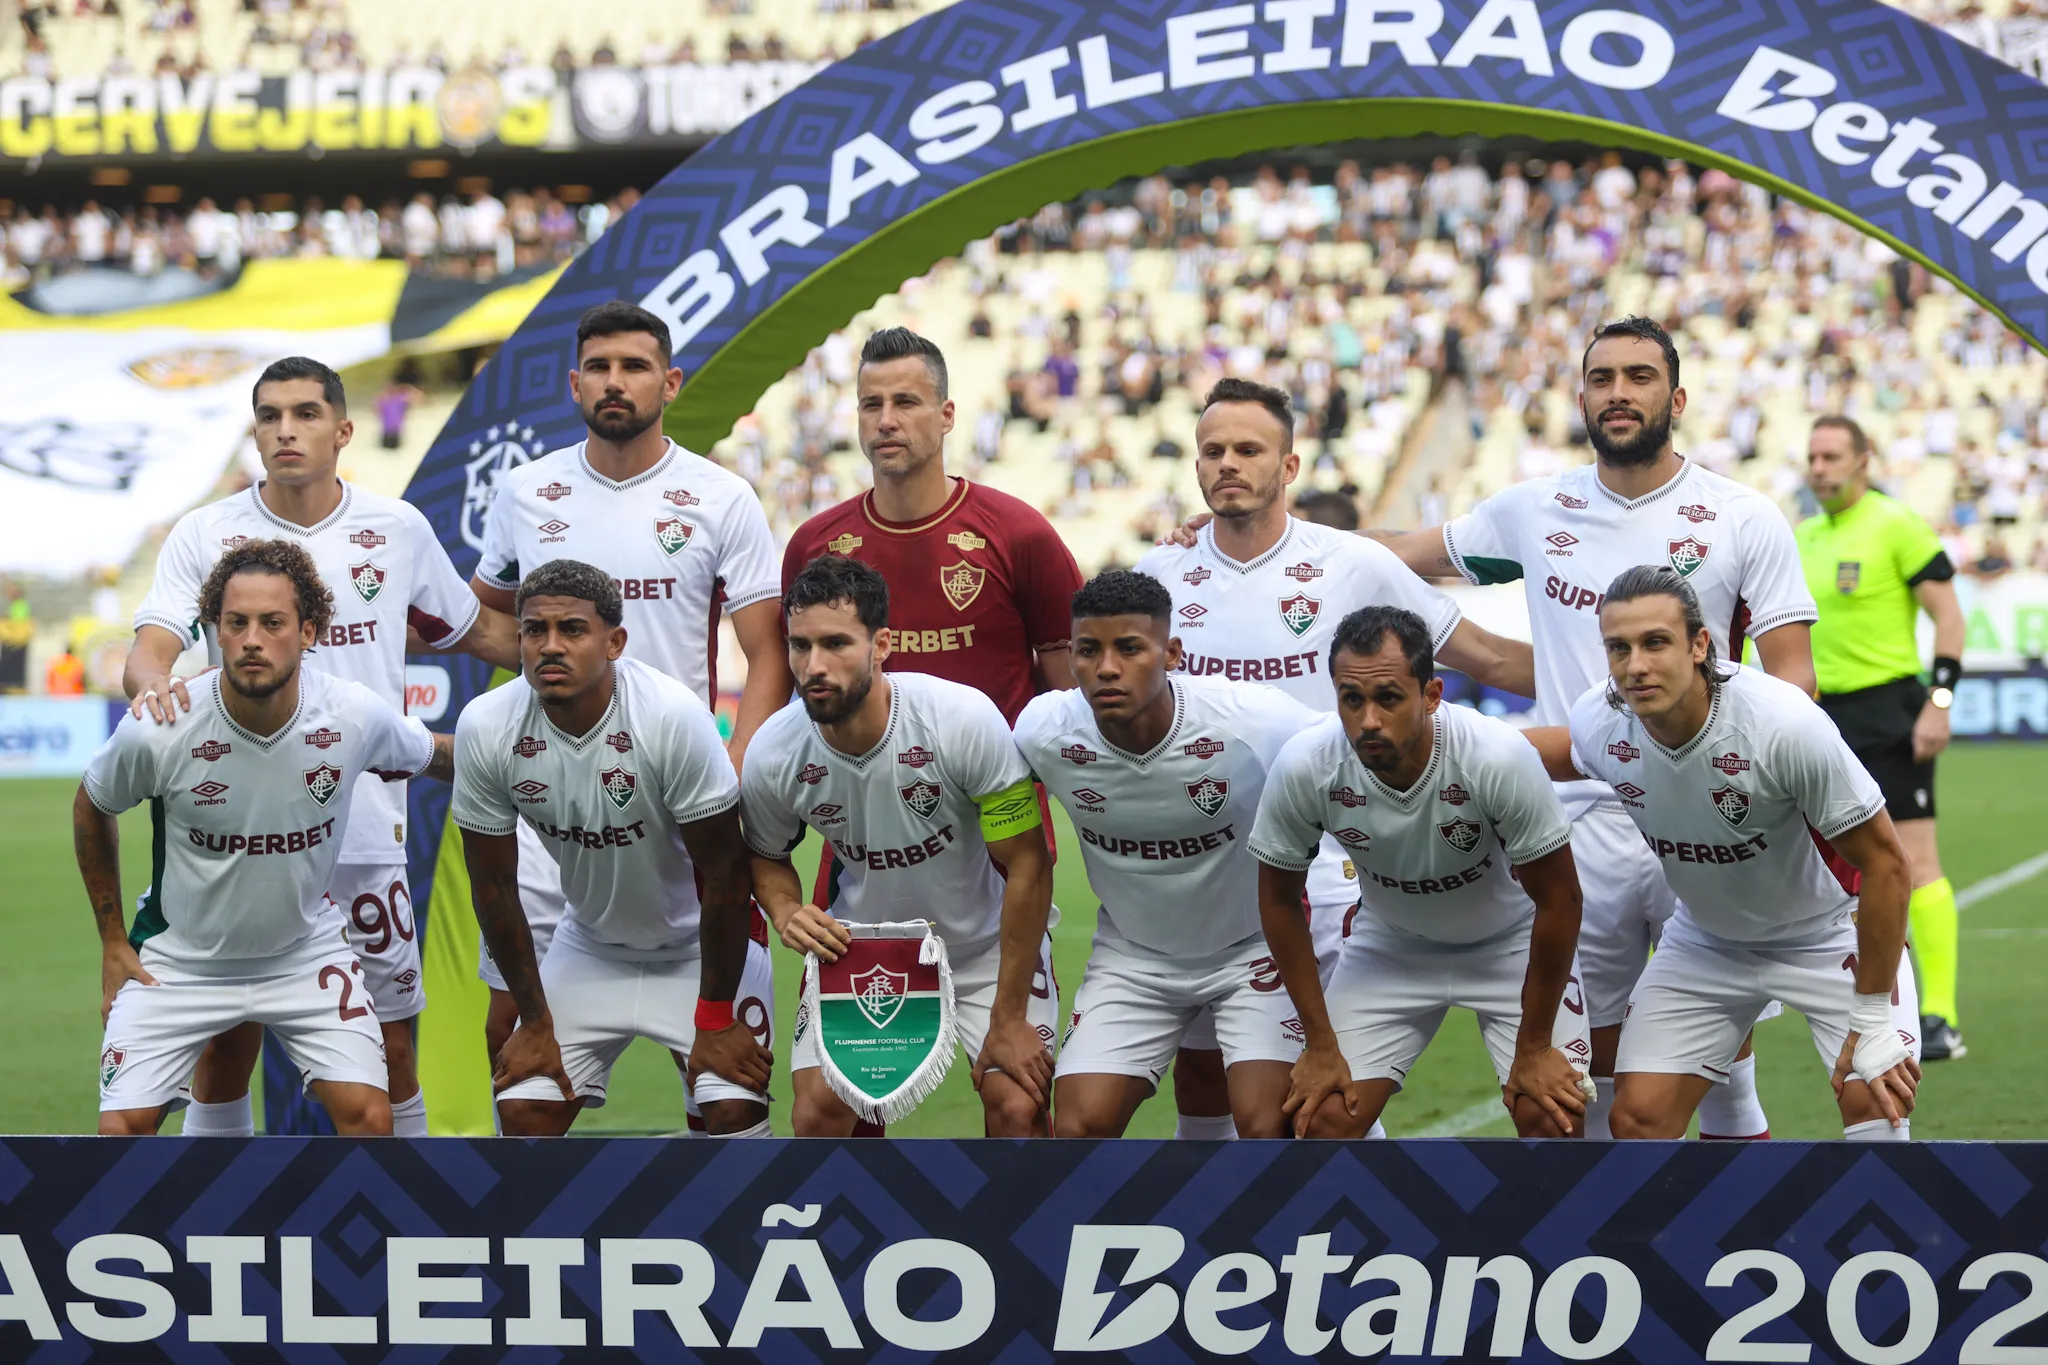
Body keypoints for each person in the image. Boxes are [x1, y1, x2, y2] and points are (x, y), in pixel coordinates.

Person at [1356, 316, 1820, 1141]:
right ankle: (1615, 1224)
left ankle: (1735, 1211)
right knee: (1592, 1063)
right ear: (1581, 398)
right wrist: (1271, 537)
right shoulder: (1535, 508)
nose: (1618, 393)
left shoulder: (1742, 516)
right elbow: (1399, 554)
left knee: (1721, 1049)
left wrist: (1757, 785)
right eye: (1602, 378)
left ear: (1677, 397)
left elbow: (1794, 678)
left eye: (1639, 377)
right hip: (1570, 817)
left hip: (1701, 814)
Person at [123, 356, 518, 1140]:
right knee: (224, 1046)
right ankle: (223, 1210)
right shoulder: (206, 531)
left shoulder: (396, 529)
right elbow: (150, 647)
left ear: (343, 430)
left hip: (362, 835)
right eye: (270, 415)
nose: (286, 430)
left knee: (391, 1049)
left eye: (305, 413)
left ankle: (406, 1210)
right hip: (236, 833)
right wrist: (152, 683)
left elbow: (481, 632)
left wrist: (593, 662)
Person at [1141, 377, 1536, 1140]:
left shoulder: (1354, 564)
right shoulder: (1161, 575)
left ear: (1289, 466)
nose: (1228, 463)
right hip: (1202, 868)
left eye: (1249, 449)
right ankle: (1221, 1218)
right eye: (1213, 450)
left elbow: (1485, 656)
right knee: (1203, 1075)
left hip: (1324, 869)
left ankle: (1339, 1217)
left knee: (1324, 1093)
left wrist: (1614, 689)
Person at [471, 301, 789, 1120]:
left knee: (720, 1075)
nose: (616, 382)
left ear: (670, 382)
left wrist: (736, 765)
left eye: (635, 367)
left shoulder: (720, 496)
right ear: (574, 383)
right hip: (551, 803)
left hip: (678, 794)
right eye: (600, 367)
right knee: (511, 1036)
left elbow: (768, 652)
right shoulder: (526, 491)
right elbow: (490, 622)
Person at [780, 325, 1084, 1133]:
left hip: (993, 851)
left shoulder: (1016, 534)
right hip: (868, 859)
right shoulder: (818, 544)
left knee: (1018, 1101)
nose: (886, 419)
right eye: (870, 403)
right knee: (830, 1109)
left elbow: (1071, 693)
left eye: (907, 402)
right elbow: (796, 698)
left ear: (947, 415)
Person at [1529, 567, 1922, 1141]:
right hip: (1706, 941)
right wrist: (1443, 740)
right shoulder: (1601, 719)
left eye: (1655, 643)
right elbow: (1555, 754)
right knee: (1637, 1120)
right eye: (1619, 648)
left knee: (1877, 1099)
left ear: (1699, 645)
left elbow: (1887, 864)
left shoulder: (1782, 724)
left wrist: (1871, 1018)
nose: (1635, 665)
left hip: (1827, 933)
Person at [77, 539, 453, 1136]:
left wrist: (519, 756)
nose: (252, 639)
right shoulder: (161, 727)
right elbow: (92, 804)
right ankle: (215, 1202)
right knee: (120, 1131)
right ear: (216, 631)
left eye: (272, 623)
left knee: (368, 1117)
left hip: (303, 955)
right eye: (237, 623)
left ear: (308, 632)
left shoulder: (351, 714)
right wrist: (112, 941)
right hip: (181, 961)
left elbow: (436, 754)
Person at [740, 555, 1060, 1137]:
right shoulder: (774, 751)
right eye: (800, 646)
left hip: (987, 949)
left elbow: (1028, 865)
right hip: (864, 953)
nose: (813, 665)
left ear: (881, 644)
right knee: (818, 1115)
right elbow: (766, 854)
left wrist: (1010, 1016)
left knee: (1019, 1105)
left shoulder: (960, 718)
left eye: (836, 643)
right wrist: (785, 909)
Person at [452, 560, 770, 1136]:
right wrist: (535, 1021)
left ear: (614, 642)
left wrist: (715, 1018)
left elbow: (726, 874)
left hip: (699, 949)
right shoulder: (487, 725)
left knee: (733, 1107)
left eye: (572, 629)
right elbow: (493, 886)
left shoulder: (670, 716)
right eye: (534, 630)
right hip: (592, 945)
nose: (551, 646)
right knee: (523, 1110)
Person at [1249, 606, 1590, 1139]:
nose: (1368, 720)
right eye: (1351, 699)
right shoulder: (1306, 764)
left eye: (1388, 698)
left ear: (1431, 695)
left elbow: (1561, 900)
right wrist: (1319, 1045)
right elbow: (1277, 900)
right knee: (1322, 1121)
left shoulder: (1497, 756)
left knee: (1549, 1115)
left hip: (1510, 946)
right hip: (1391, 948)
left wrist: (1535, 1047)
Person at [1014, 571, 1316, 1138]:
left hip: (1252, 951)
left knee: (1266, 1124)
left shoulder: (1255, 722)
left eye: (1129, 648)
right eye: (1088, 651)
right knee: (1077, 1127)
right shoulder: (1043, 732)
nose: (1107, 668)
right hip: (1133, 956)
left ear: (1172, 653)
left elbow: (1350, 763)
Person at [1801, 416, 1970, 1061]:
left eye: (1831, 456)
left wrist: (1939, 702)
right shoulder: (1802, 537)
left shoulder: (1896, 524)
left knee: (1915, 861)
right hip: (1821, 718)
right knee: (1829, 870)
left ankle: (1941, 1016)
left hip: (1891, 712)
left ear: (1863, 460)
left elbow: (1949, 616)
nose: (1819, 468)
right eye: (1813, 457)